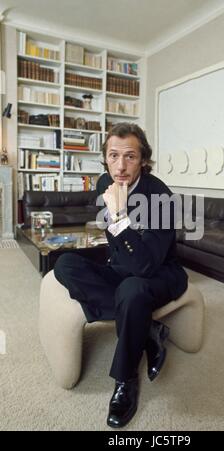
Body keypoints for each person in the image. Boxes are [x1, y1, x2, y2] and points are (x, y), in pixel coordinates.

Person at [54, 122, 188, 428]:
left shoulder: (161, 198)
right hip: (122, 269)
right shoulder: (105, 183)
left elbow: (146, 267)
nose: (121, 166)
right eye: (113, 156)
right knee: (65, 265)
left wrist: (118, 214)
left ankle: (126, 380)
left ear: (143, 159)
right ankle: (150, 331)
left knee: (132, 289)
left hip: (161, 274)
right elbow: (116, 246)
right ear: (105, 158)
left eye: (130, 156)